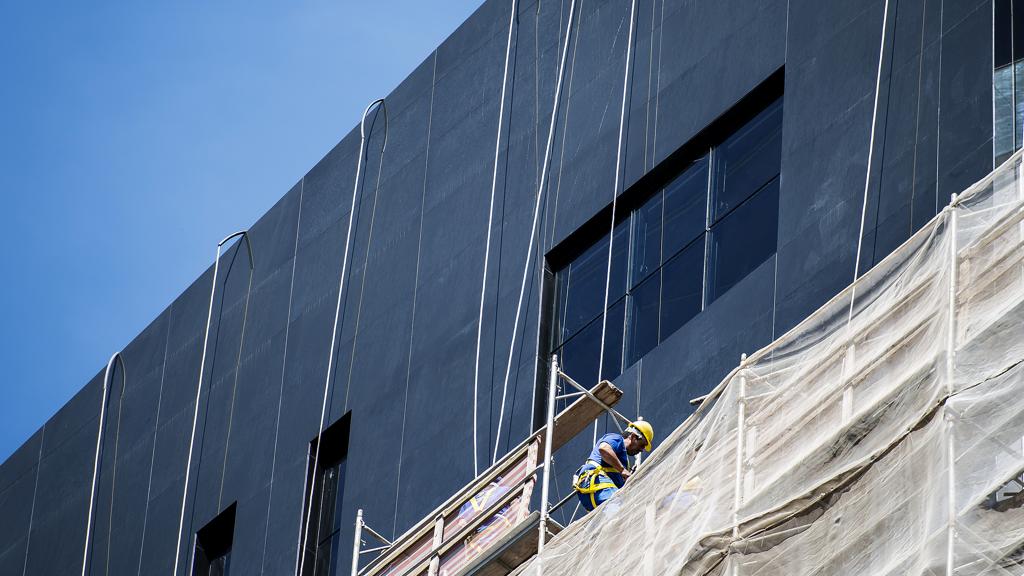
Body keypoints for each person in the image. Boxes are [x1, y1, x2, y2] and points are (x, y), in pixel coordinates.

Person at [572, 420, 654, 512]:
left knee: (617, 517)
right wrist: (622, 470)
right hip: (597, 483)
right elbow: (604, 449)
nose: (642, 450)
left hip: (592, 492)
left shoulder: (621, 460)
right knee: (620, 511)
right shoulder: (617, 439)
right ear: (633, 437)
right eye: (642, 445)